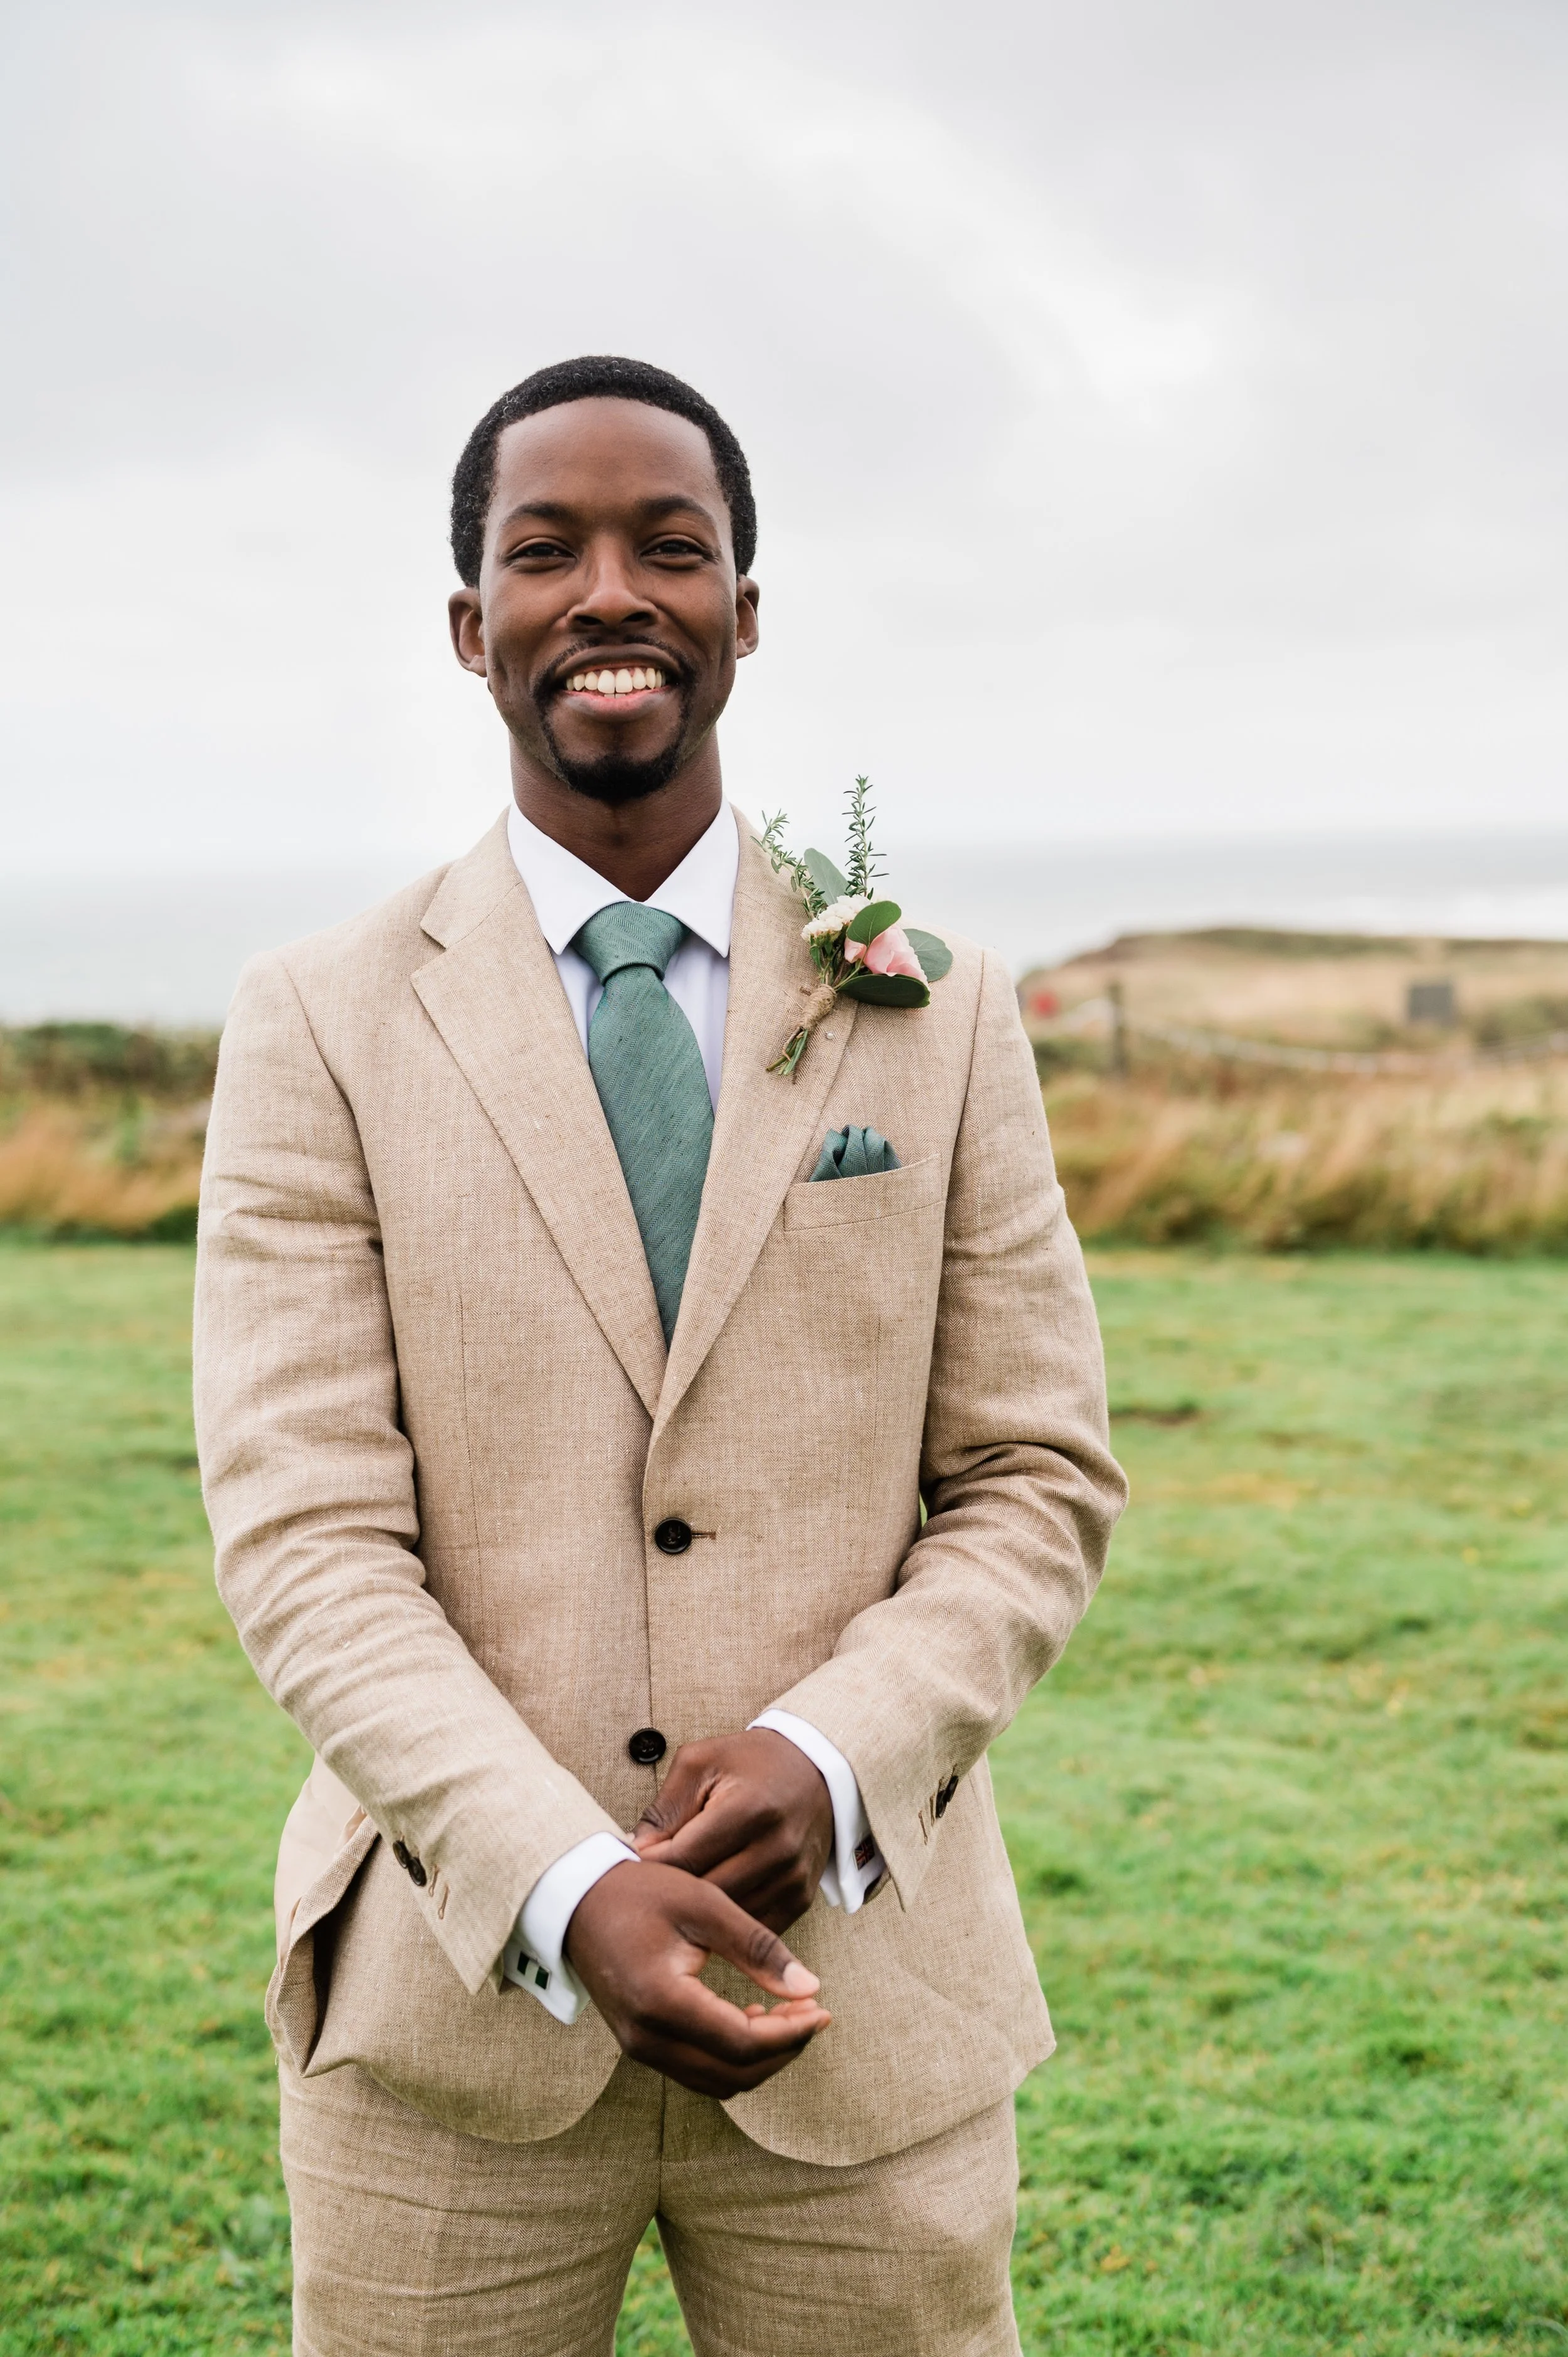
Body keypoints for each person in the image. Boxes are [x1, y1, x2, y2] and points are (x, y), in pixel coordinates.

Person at [193, 353, 1126, 2356]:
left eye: (667, 547)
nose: (608, 590)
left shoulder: (938, 1011)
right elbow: (306, 1535)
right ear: (473, 626)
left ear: (742, 612)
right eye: (546, 551)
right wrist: (556, 1879)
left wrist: (832, 1754)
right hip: (447, 2028)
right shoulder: (319, 1019)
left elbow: (1033, 1474)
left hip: (863, 2010)